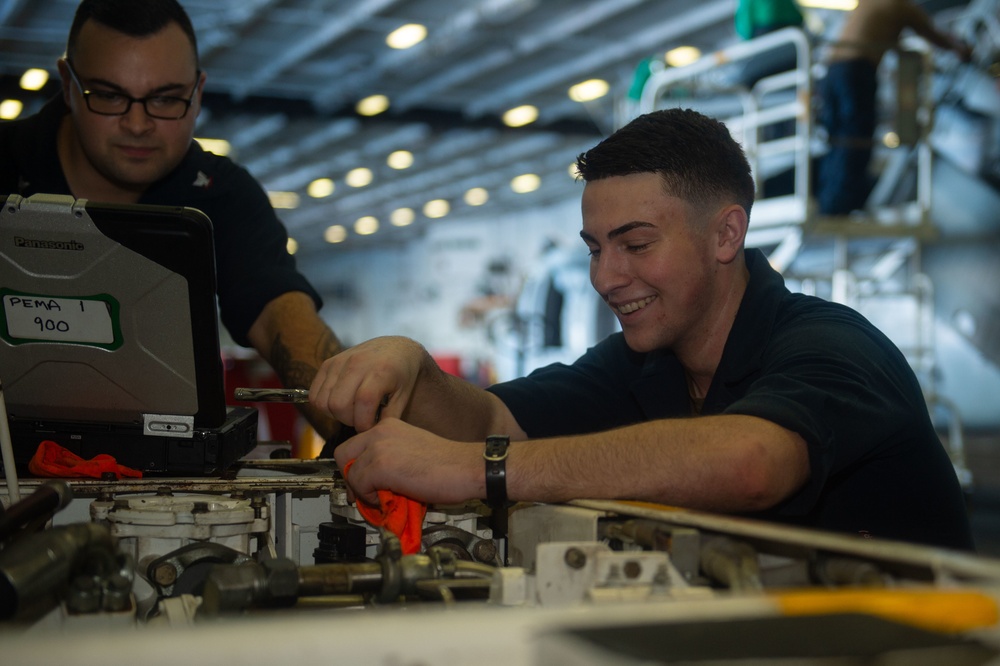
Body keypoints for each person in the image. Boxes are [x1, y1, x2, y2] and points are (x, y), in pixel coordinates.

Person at [309, 108, 974, 552]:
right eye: (596, 248)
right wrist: (411, 368)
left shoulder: (831, 344)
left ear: (726, 234)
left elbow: (750, 462)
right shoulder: (642, 364)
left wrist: (477, 471)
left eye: (635, 243)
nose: (606, 277)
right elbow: (493, 417)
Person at [0, 0, 344, 441]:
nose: (138, 124)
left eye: (165, 99)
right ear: (68, 84)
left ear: (197, 93)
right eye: (108, 95)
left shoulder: (222, 194)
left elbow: (279, 313)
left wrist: (356, 434)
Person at [818, 0, 972, 215]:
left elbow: (889, 40)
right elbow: (931, 35)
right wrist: (960, 50)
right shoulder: (900, 6)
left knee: (838, 138)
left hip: (832, 71)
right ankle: (842, 204)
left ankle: (829, 202)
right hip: (857, 70)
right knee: (857, 138)